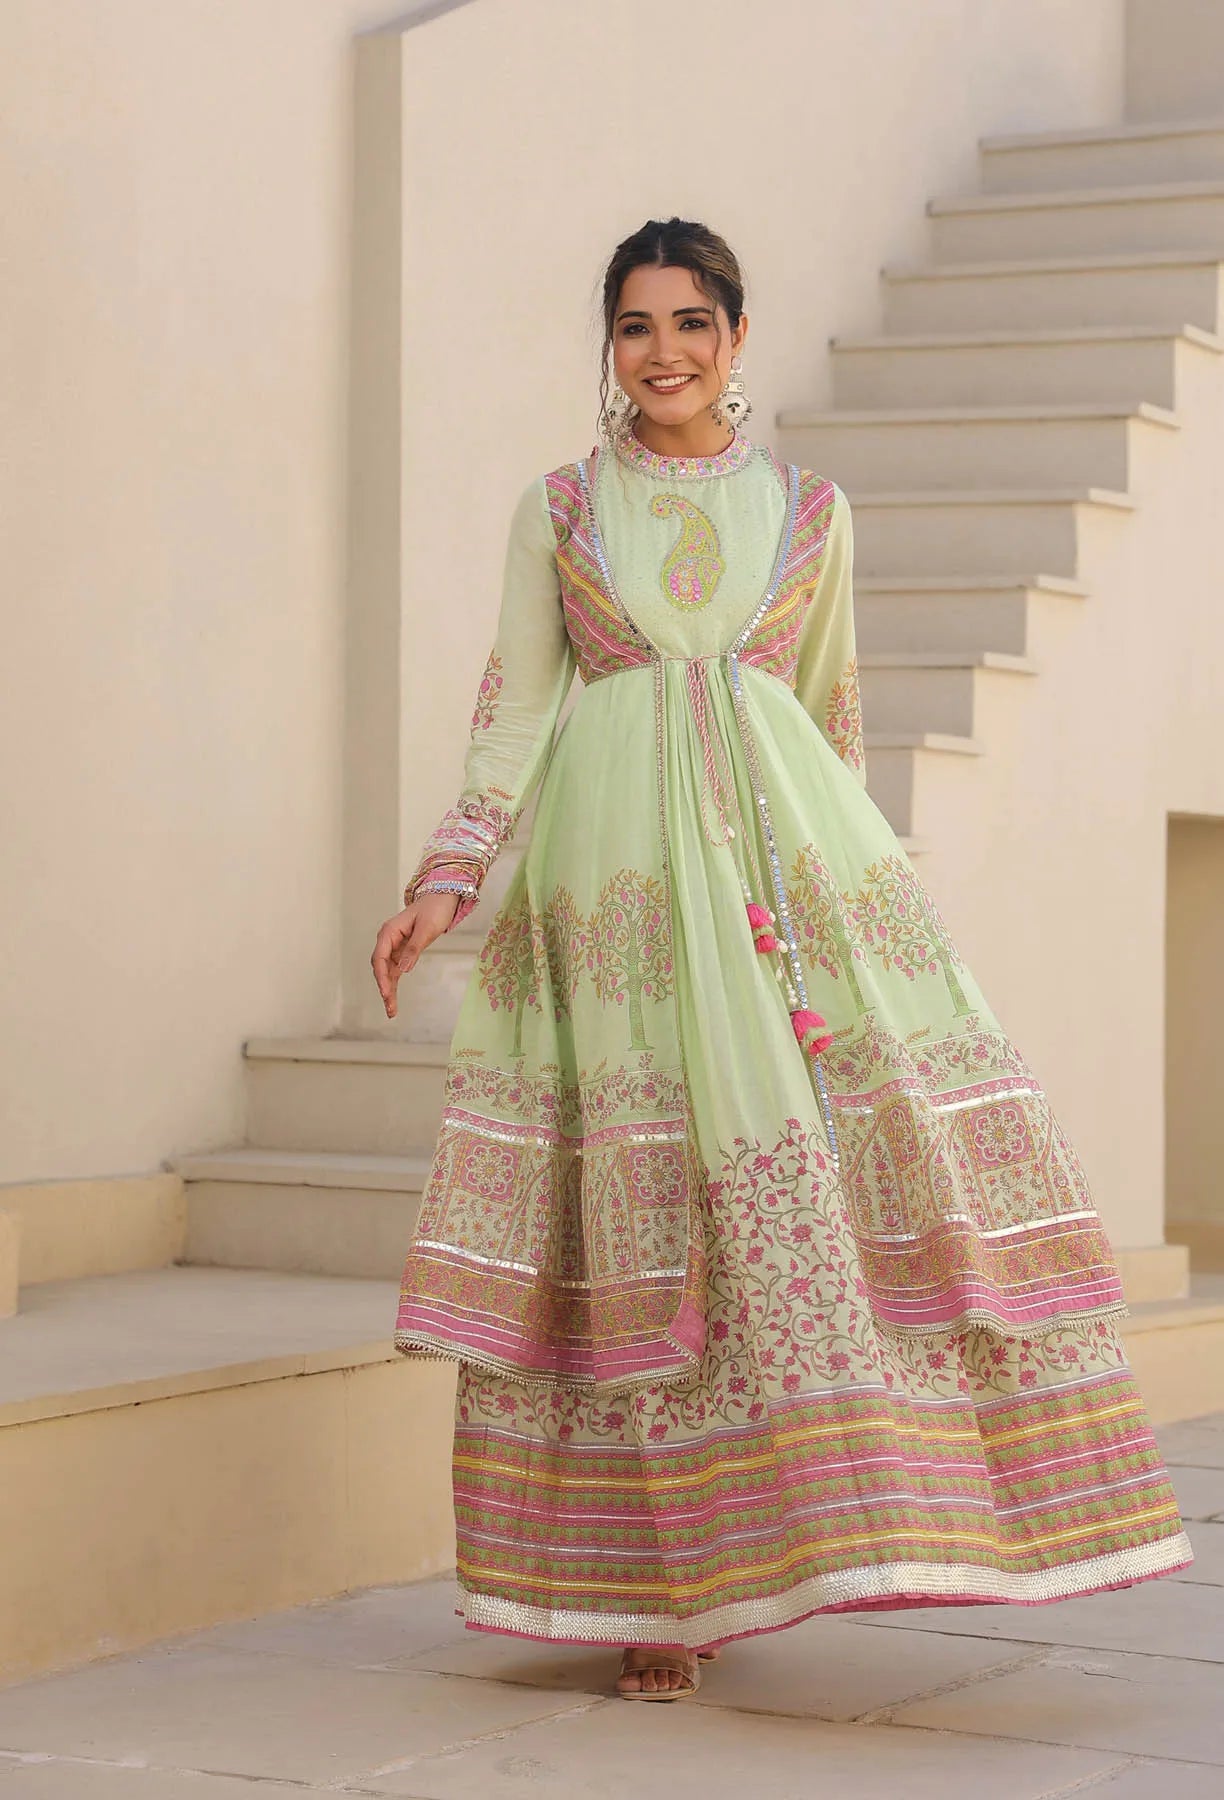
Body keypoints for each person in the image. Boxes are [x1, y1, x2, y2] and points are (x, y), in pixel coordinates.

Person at [371, 217, 1191, 1702]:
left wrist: (840, 918)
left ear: (738, 337)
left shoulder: (814, 512)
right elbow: (513, 710)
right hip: (609, 886)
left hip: (772, 884)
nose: (664, 353)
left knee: (796, 1202)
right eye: (635, 327)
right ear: (608, 346)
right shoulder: (559, 510)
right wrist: (449, 877)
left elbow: (830, 716)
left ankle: (830, 1529)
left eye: (692, 323)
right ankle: (652, 1599)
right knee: (635, 1219)